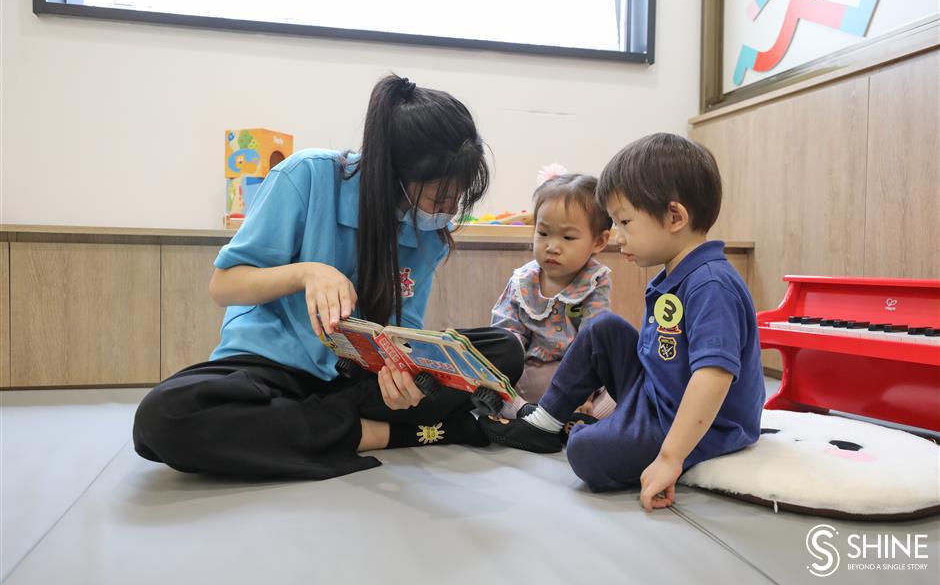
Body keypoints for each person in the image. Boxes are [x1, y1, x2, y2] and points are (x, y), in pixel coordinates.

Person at [133, 75, 523, 480]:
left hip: (358, 381)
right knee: (164, 417)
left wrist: (404, 376)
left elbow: (403, 333)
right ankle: (384, 435)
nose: (447, 210)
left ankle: (305, 428)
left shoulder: (428, 236)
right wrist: (307, 273)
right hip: (274, 368)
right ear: (394, 176)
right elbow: (224, 284)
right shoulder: (307, 175)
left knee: (502, 351)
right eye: (439, 197)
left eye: (457, 199)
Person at [481, 133, 765, 512]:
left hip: (698, 422)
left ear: (675, 217)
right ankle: (546, 423)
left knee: (585, 452)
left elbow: (713, 378)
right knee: (604, 330)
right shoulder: (677, 274)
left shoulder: (711, 285)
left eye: (625, 222)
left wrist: (669, 458)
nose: (616, 235)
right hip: (658, 393)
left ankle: (592, 429)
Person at [490, 174, 616, 422]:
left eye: (568, 238)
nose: (552, 246)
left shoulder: (595, 280)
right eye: (544, 233)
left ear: (599, 241)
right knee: (494, 386)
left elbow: (592, 338)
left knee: (624, 387)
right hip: (530, 374)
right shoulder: (522, 280)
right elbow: (505, 331)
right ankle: (533, 414)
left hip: (579, 374)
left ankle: (573, 415)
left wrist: (585, 391)